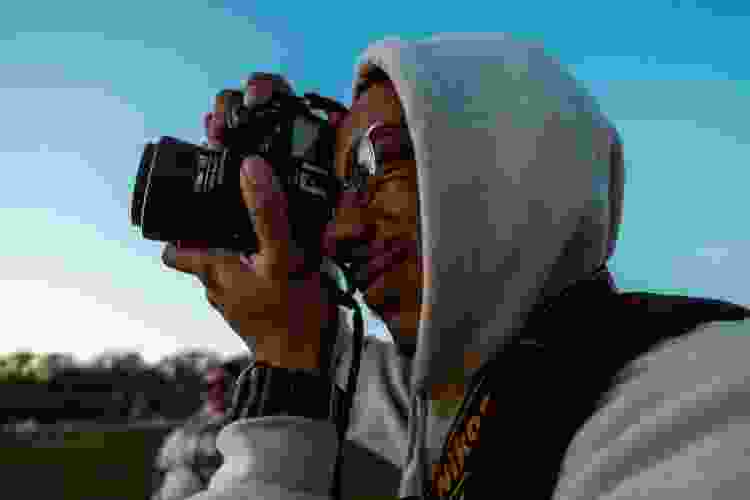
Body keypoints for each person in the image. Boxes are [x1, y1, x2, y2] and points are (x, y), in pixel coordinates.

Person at [162, 33, 750, 499]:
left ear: (505, 152)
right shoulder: (459, 388)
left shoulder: (701, 400)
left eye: (378, 160)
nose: (341, 231)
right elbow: (337, 360)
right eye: (339, 190)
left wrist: (284, 375)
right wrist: (282, 272)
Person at [151, 358, 249, 500]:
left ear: (238, 387)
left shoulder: (247, 429)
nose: (216, 391)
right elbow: (161, 468)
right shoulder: (187, 428)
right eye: (209, 386)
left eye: (223, 384)